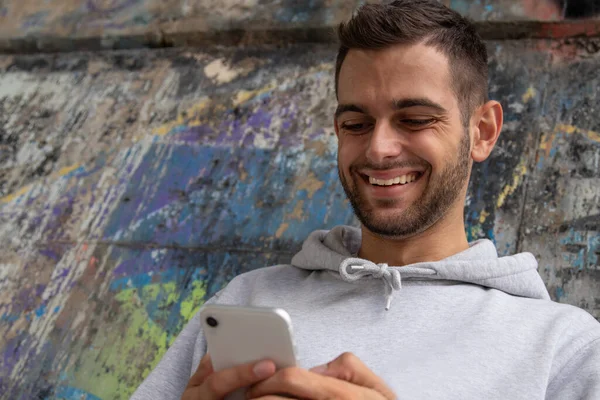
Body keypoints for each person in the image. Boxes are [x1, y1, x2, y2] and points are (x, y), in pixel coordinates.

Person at [132, 1, 600, 399]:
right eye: (355, 124)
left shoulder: (565, 347)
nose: (378, 148)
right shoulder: (245, 302)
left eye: (414, 119)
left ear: (482, 132)